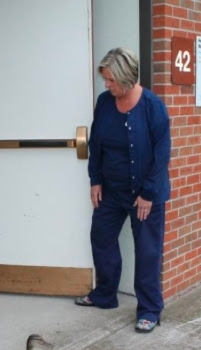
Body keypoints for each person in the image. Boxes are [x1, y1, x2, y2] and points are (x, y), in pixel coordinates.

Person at [74, 48, 171, 334]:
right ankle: (105, 295)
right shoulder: (105, 103)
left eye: (111, 80)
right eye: (105, 79)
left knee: (147, 251)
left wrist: (149, 193)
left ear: (127, 78)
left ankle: (150, 310)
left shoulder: (153, 106)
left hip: (145, 195)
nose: (107, 85)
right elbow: (97, 145)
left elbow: (161, 154)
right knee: (101, 238)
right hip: (111, 192)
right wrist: (95, 180)